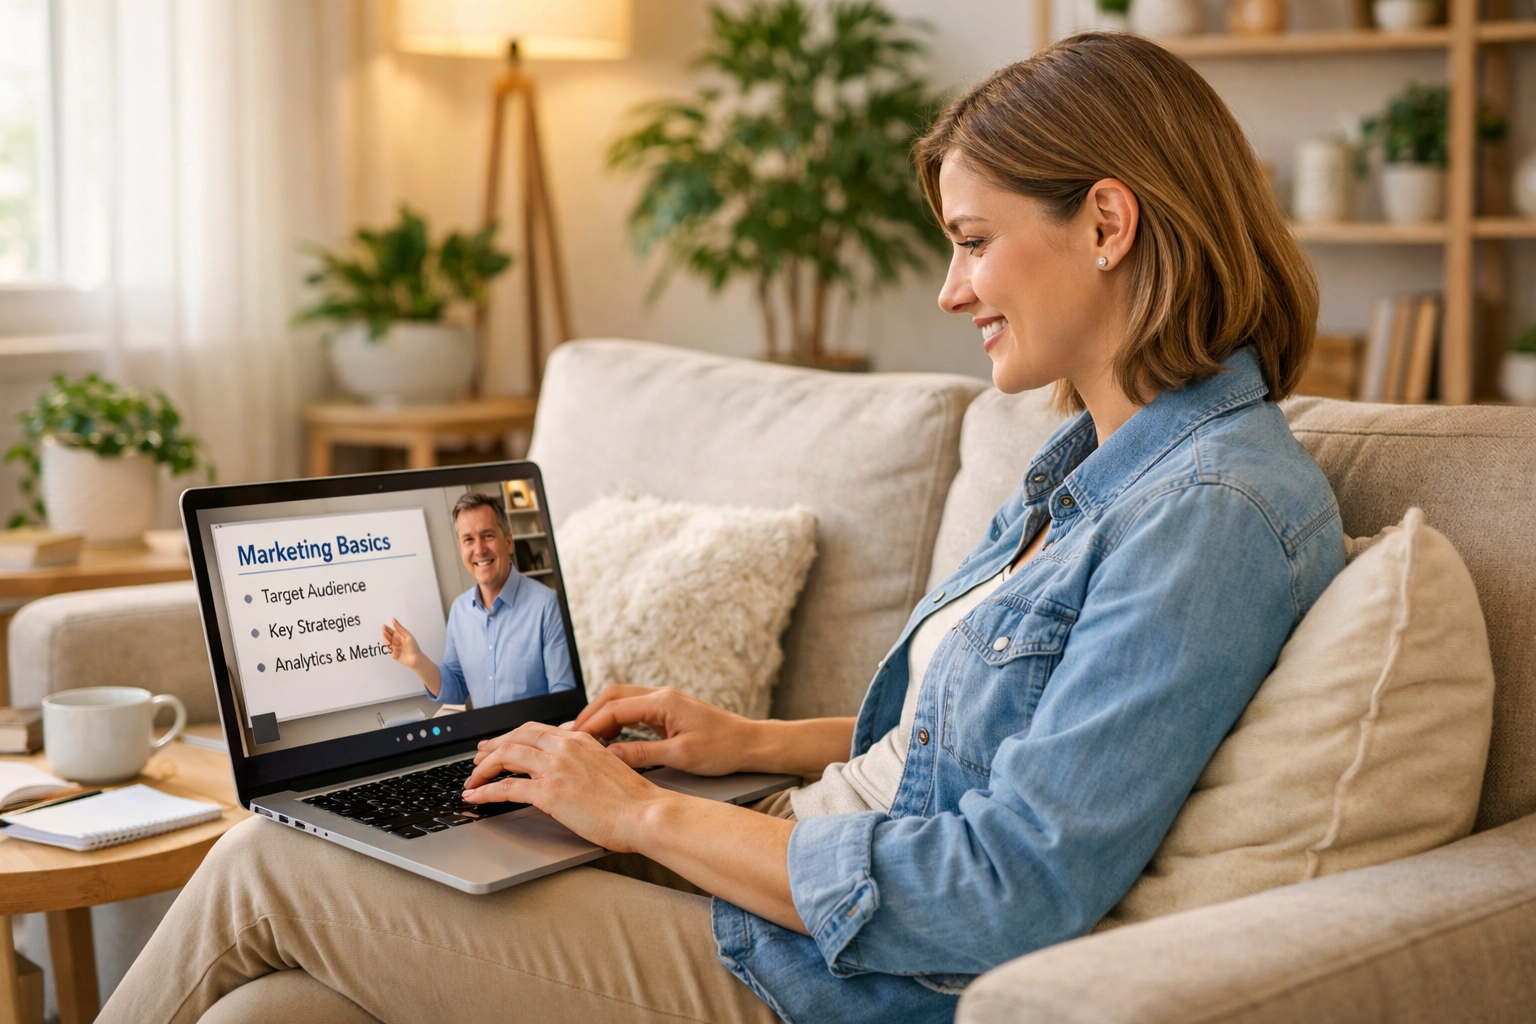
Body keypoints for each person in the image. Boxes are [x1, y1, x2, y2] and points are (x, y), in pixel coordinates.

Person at [100, 33, 1345, 1024]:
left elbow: (1010, 887)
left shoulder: (1211, 516)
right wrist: (745, 741)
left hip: (833, 977)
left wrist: (639, 814)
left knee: (273, 865)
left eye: (972, 242)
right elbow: (969, 748)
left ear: (1110, 224)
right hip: (792, 877)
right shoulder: (1092, 466)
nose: (949, 286)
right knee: (271, 1010)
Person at [382, 492, 576, 706]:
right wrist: (417, 660)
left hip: (534, 739)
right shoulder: (460, 610)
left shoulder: (547, 605)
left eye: (488, 536)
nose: (479, 549)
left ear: (508, 542)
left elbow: (564, 694)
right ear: (461, 548)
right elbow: (456, 688)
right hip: (485, 741)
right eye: (469, 540)